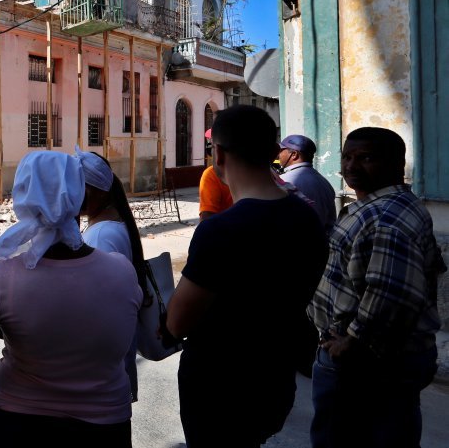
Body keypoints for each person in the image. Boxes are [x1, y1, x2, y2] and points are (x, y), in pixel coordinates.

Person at [165, 105, 328, 447]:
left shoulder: (220, 232)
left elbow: (178, 322)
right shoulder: (306, 218)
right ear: (273, 153)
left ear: (218, 153)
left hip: (219, 389)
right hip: (273, 379)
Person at [0, 151, 142, 448]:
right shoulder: (120, 270)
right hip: (104, 426)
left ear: (21, 196)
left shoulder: (3, 277)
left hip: (19, 423)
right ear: (79, 194)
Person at [308, 127, 446, 448]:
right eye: (347, 157)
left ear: (397, 164)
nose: (352, 166)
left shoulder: (386, 216)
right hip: (388, 359)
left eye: (366, 158)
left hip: (366, 363)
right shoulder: (390, 204)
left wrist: (353, 340)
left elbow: (389, 291)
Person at [75, 148, 145, 400]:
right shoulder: (109, 225)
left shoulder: (101, 234)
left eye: (80, 187)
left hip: (102, 369)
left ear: (101, 191)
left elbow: (97, 306)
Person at [277, 134, 337, 230]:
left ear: (294, 154)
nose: (278, 154)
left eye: (281, 150)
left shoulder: (284, 181)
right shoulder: (324, 182)